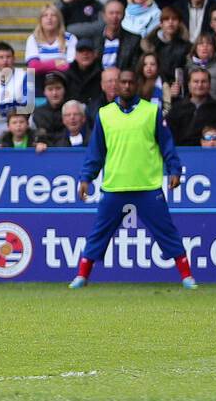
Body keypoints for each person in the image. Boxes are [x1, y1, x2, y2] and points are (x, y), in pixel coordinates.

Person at [71, 67, 193, 290]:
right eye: (123, 82)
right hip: (115, 186)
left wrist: (174, 170)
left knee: (166, 231)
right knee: (99, 232)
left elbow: (167, 144)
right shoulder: (105, 114)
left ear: (136, 85)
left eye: (130, 82)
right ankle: (82, 276)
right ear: (116, 85)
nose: (126, 86)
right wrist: (86, 177)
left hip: (147, 185)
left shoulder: (151, 112)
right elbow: (96, 151)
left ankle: (186, 276)